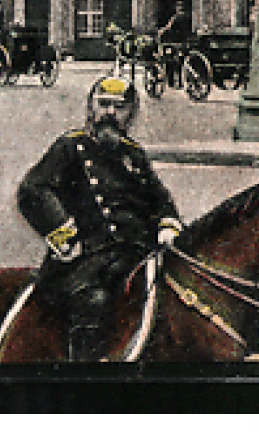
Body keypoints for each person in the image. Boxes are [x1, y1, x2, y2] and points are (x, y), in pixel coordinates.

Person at [17, 76, 183, 362]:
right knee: (94, 302)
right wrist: (61, 228)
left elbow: (160, 199)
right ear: (91, 107)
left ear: (131, 112)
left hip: (137, 253)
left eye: (119, 107)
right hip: (87, 257)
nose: (110, 113)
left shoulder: (134, 154)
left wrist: (167, 223)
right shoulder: (71, 147)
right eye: (103, 104)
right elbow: (34, 188)